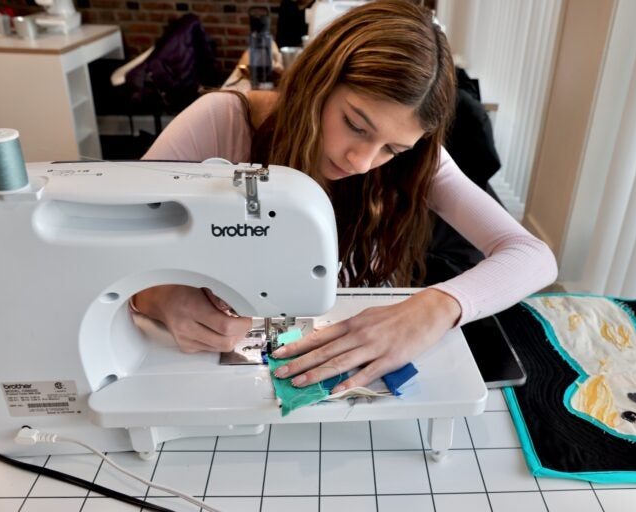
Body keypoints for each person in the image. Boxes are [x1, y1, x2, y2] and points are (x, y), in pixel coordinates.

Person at [134, 0, 558, 394]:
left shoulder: (419, 162)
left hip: (345, 336)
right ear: (318, 81)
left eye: (392, 150)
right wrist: (156, 293)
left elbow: (532, 255)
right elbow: (111, 234)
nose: (361, 162)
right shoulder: (224, 121)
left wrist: (437, 306)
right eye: (355, 125)